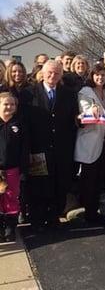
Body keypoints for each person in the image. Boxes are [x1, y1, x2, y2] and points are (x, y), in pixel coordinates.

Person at [26, 60, 78, 229]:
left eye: (56, 73)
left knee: (60, 183)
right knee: (39, 184)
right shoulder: (30, 93)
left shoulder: (69, 94)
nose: (52, 76)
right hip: (38, 148)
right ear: (43, 72)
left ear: (61, 75)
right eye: (49, 72)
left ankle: (54, 217)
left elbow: (73, 120)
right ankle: (37, 219)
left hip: (61, 149)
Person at [74, 63, 105, 224]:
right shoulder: (85, 92)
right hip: (90, 142)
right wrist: (93, 110)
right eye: (97, 75)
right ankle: (89, 213)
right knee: (89, 180)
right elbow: (85, 110)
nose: (100, 78)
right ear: (92, 76)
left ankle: (96, 211)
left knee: (100, 180)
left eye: (103, 75)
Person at [0, 93, 29, 242]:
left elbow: (24, 150)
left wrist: (23, 170)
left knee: (11, 198)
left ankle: (10, 227)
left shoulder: (19, 124)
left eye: (12, 104)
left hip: (13, 170)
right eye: (6, 104)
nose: (9, 107)